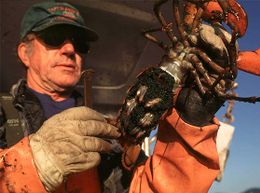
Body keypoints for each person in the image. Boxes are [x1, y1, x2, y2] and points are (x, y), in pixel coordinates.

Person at [0, 1, 221, 193]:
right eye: (54, 37)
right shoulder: (3, 114)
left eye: (79, 44)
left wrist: (191, 126)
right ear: (24, 53)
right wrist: (31, 165)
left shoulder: (110, 131)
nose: (69, 49)